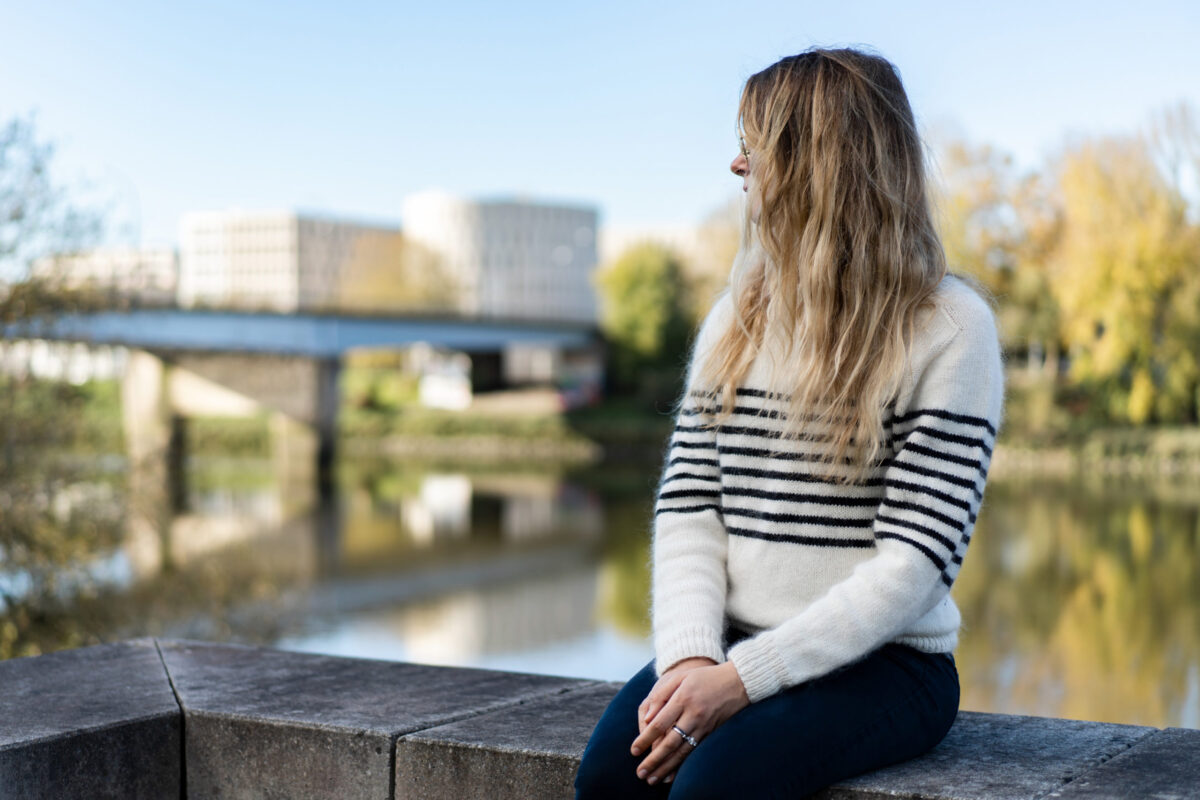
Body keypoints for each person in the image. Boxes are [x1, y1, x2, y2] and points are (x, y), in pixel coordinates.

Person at [574, 46, 1005, 799]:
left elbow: (915, 565)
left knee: (715, 787)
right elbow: (688, 509)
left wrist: (743, 681)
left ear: (821, 162)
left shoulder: (954, 330)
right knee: (610, 777)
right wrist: (687, 659)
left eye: (754, 147)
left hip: (887, 664)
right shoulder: (736, 319)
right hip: (730, 646)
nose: (738, 169)